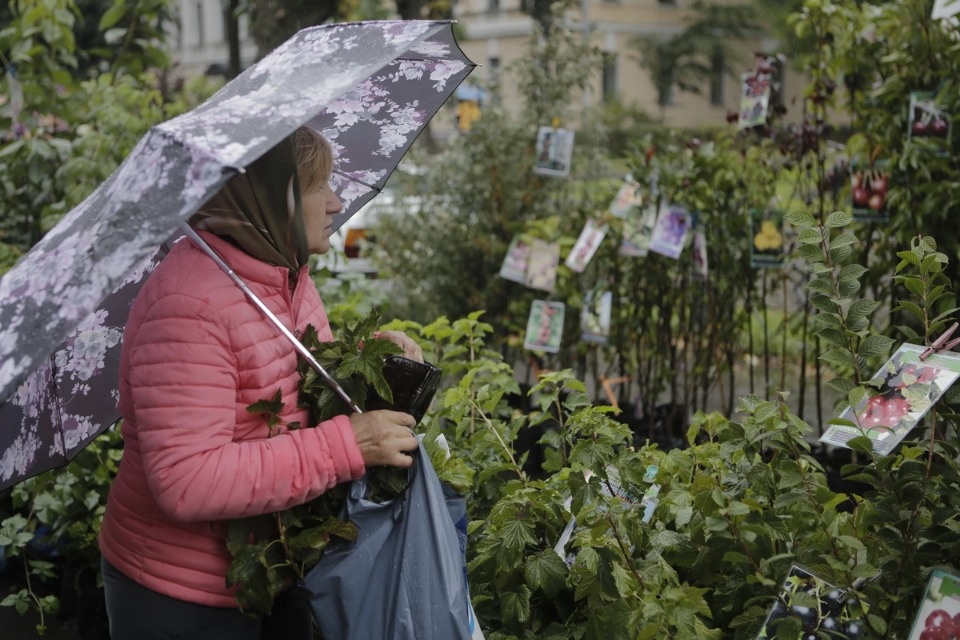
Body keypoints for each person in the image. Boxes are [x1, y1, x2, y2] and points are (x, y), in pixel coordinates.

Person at [98, 126, 423, 640]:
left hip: (271, 570)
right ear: (276, 200)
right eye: (320, 188)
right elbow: (187, 481)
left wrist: (368, 358)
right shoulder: (189, 305)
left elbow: (287, 383)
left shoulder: (282, 273)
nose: (338, 204)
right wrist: (351, 443)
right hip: (185, 598)